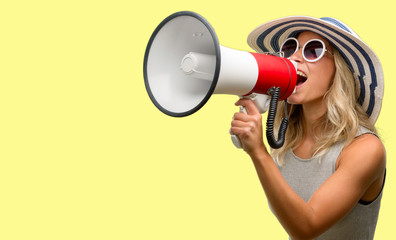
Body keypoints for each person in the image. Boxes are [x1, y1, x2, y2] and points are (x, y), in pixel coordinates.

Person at [230, 16, 386, 239]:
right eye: (290, 48)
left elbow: (307, 227)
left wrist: (258, 153)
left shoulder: (365, 149)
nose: (294, 58)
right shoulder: (286, 139)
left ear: (339, 70)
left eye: (313, 50)